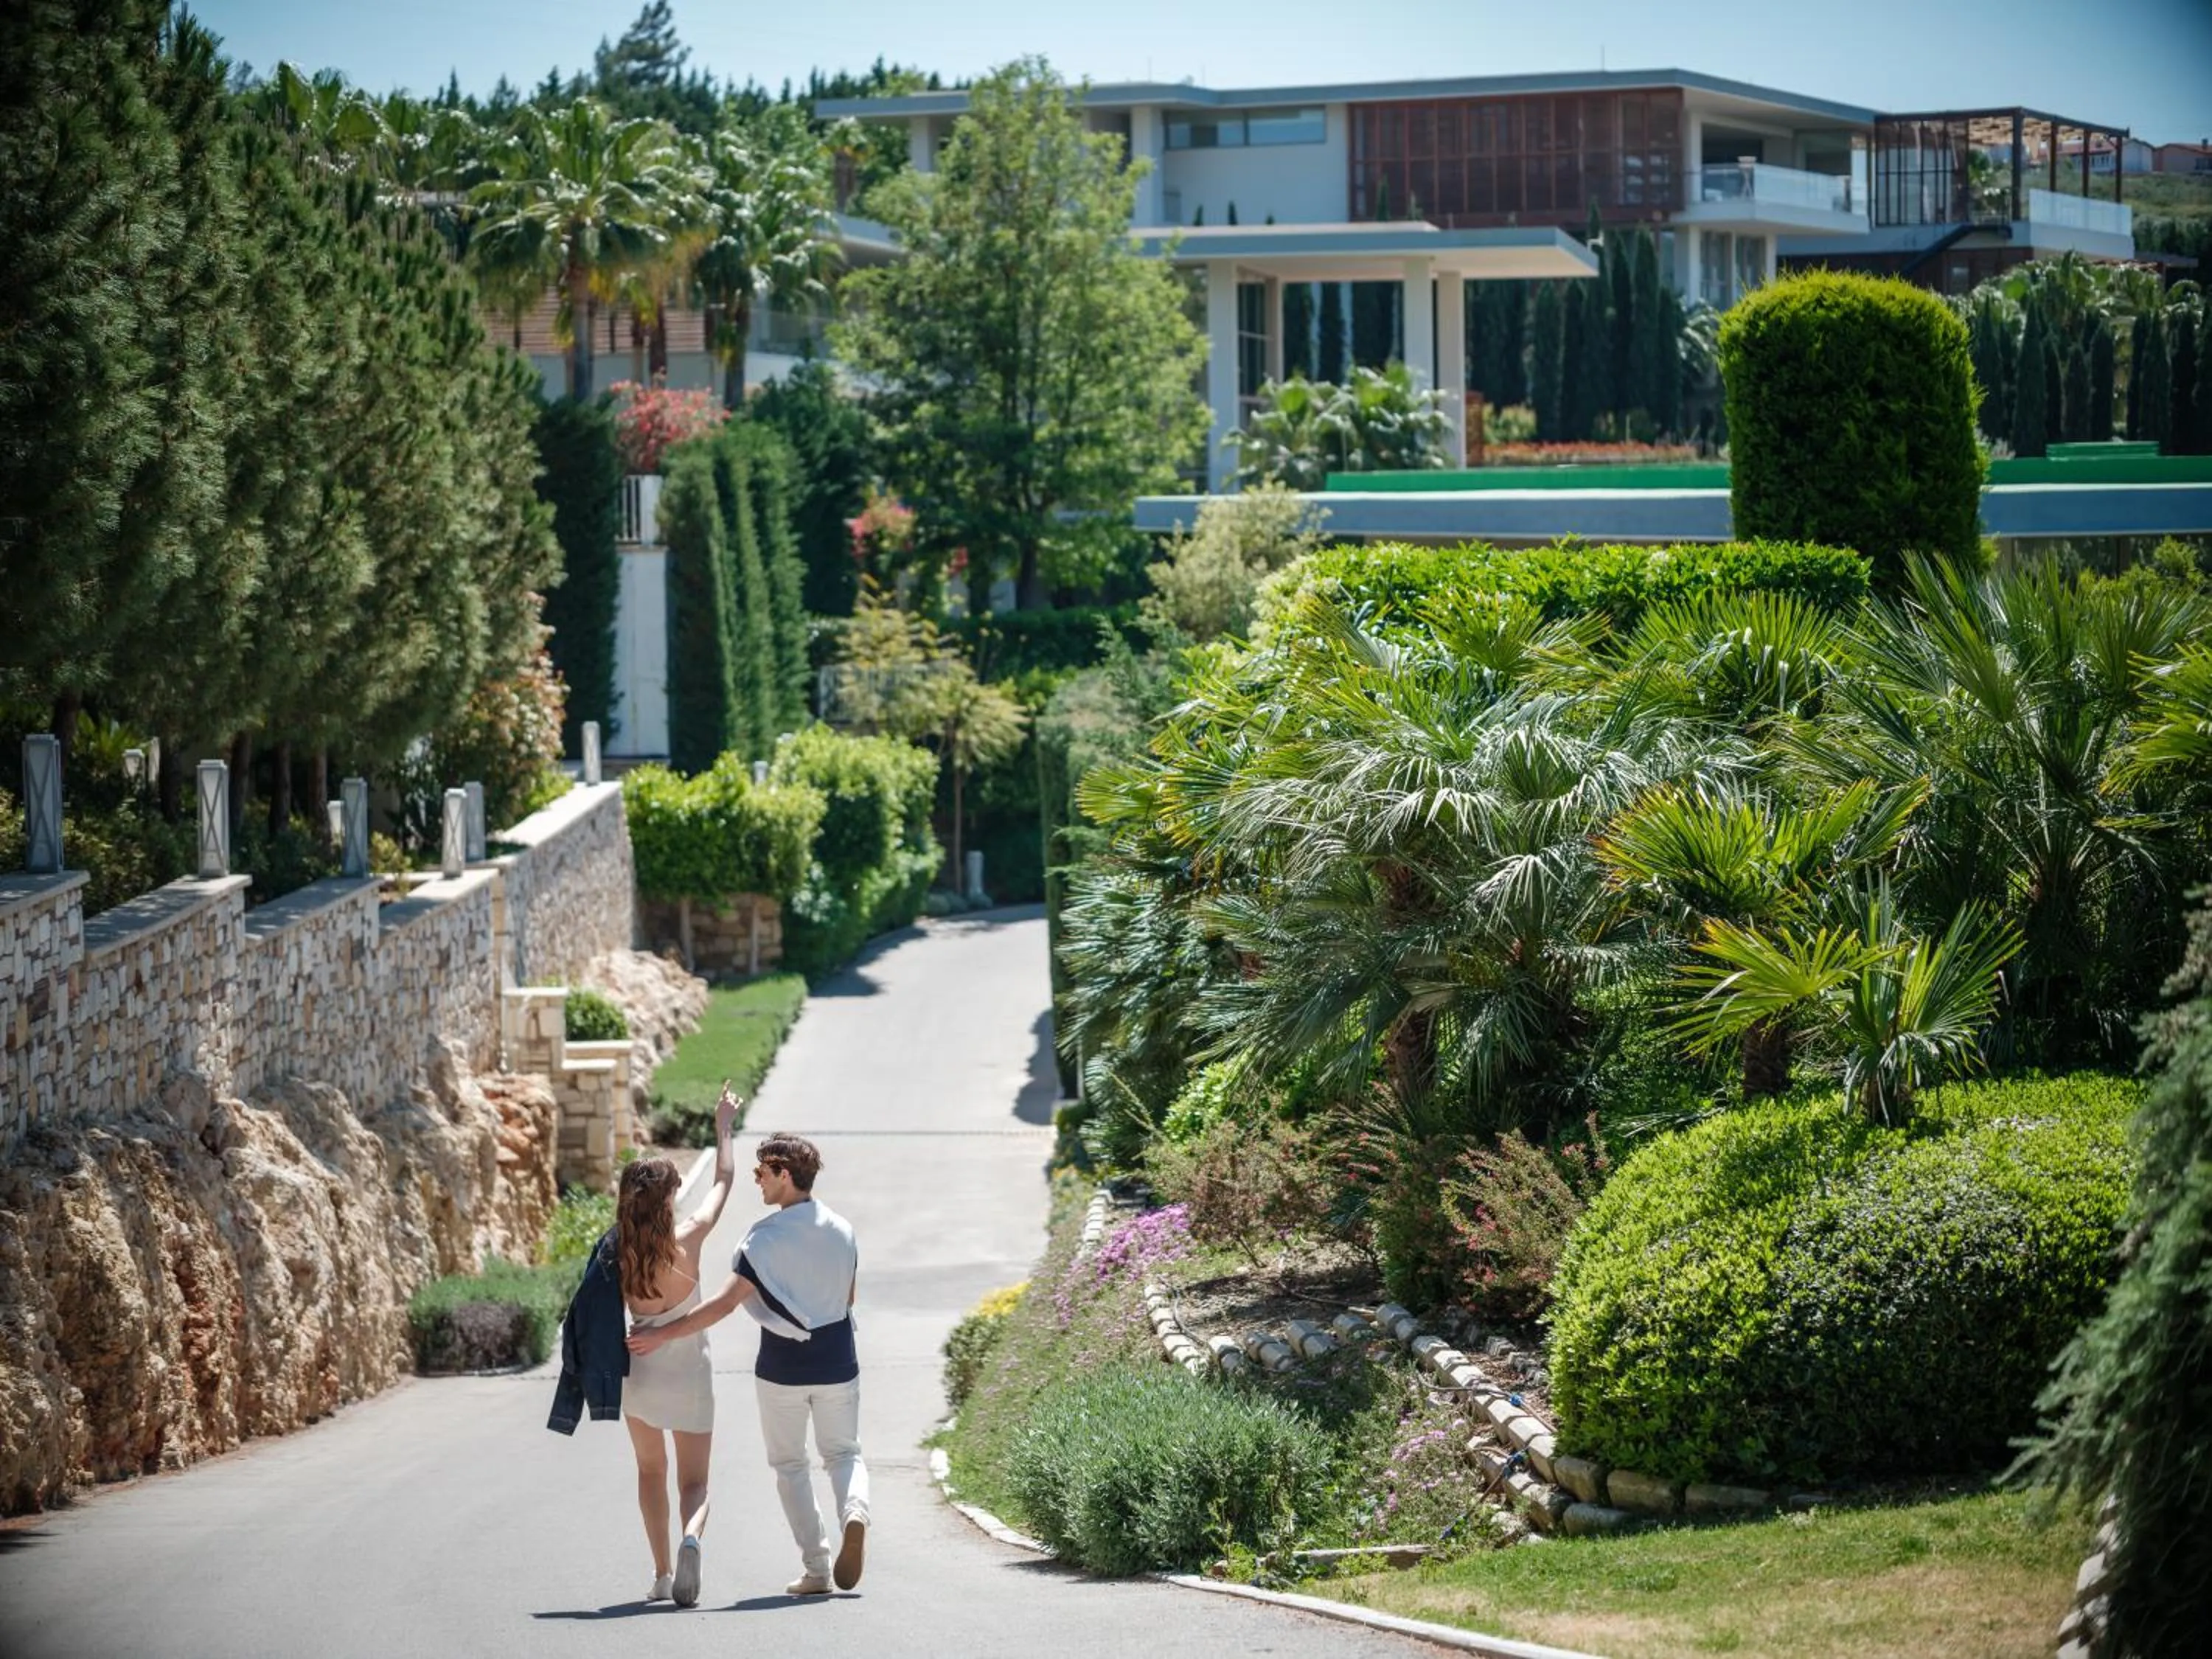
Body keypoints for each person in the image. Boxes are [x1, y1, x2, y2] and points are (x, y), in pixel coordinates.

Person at [627, 1132, 869, 1596]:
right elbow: (849, 1297)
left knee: (790, 1464)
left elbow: (723, 1305)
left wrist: (661, 1333)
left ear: (784, 1175)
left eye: (763, 1173)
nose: (757, 1181)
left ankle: (818, 1567)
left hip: (782, 1369)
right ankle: (855, 1511)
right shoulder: (843, 1228)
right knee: (844, 1453)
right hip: (839, 1359)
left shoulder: (762, 1237)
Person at [613, 1085, 741, 1607]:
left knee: (650, 1472)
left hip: (638, 1374)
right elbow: (725, 1178)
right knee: (696, 1483)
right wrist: (724, 1129)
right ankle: (693, 1537)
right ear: (668, 1200)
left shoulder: (616, 1251)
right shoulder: (690, 1236)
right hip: (690, 1372)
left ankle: (663, 1574)